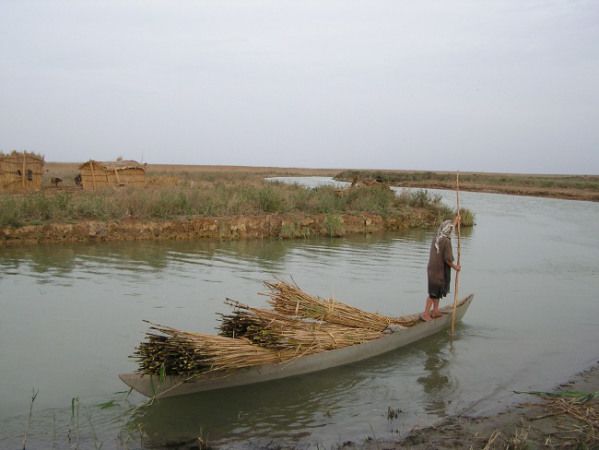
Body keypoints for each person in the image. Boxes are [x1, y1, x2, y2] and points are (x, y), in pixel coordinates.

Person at [421, 216, 461, 321]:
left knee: (437, 291)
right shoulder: (446, 241)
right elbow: (447, 259)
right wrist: (455, 267)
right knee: (433, 293)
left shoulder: (437, 237)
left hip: (432, 269)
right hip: (437, 270)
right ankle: (426, 313)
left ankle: (435, 311)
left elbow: (449, 229)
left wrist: (455, 221)